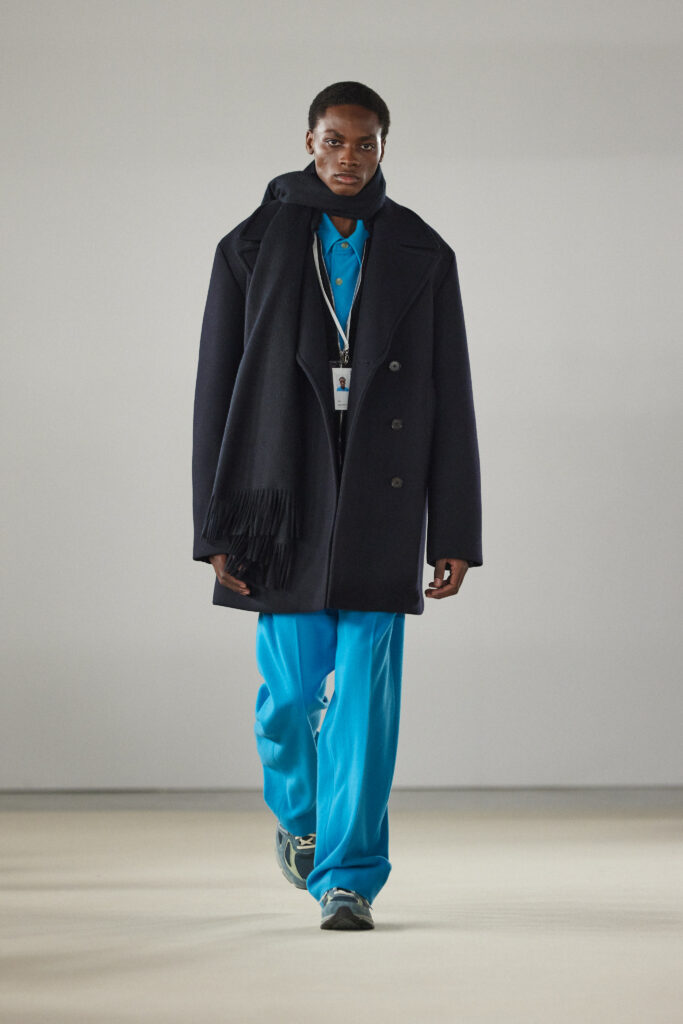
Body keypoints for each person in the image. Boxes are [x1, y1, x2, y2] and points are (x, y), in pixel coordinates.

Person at [192, 81, 482, 931]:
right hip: (279, 497)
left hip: (382, 496)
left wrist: (454, 528)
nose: (347, 158)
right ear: (308, 141)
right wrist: (214, 526)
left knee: (361, 703)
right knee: (288, 697)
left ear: (384, 147)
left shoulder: (423, 250)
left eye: (364, 143)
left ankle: (348, 879)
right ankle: (303, 819)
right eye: (333, 140)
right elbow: (215, 392)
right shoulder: (249, 246)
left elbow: (451, 396)